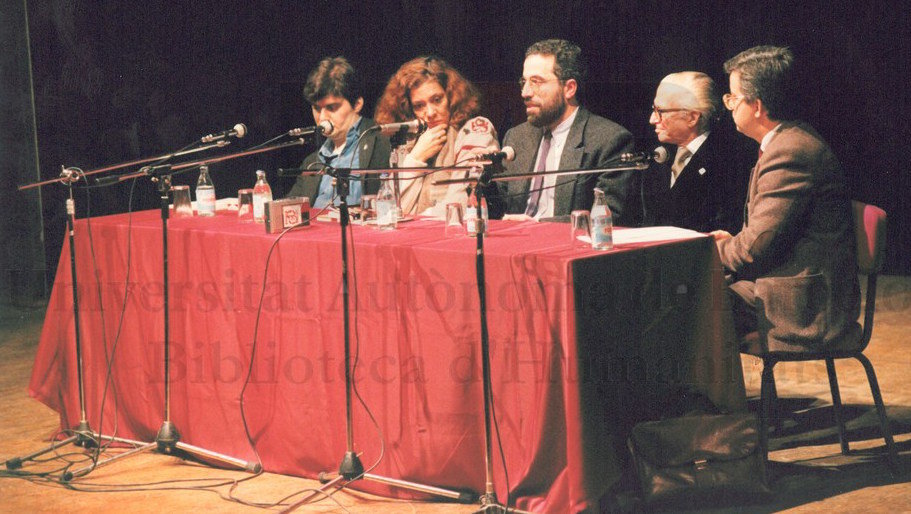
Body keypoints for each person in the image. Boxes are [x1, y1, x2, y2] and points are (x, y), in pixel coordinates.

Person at [712, 46, 859, 352]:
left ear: (756, 106)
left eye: (732, 98)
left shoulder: (790, 152)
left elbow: (752, 251)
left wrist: (708, 250)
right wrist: (732, 243)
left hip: (804, 308)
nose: (729, 106)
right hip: (785, 290)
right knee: (687, 298)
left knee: (683, 303)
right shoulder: (787, 141)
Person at [499, 39, 635, 224]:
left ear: (569, 88)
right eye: (524, 82)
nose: (525, 92)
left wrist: (538, 226)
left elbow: (608, 217)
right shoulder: (517, 137)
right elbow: (500, 206)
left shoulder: (609, 141)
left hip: (569, 241)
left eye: (536, 82)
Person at [374, 56, 499, 217]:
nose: (430, 113)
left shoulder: (474, 129)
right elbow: (389, 210)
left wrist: (419, 219)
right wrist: (416, 158)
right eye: (419, 106)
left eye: (437, 100)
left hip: (449, 231)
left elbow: (462, 202)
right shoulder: (408, 142)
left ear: (452, 97)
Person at [641, 72, 749, 234]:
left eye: (660, 111)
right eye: (653, 109)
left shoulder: (730, 162)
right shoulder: (657, 157)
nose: (652, 119)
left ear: (692, 117)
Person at [286, 56, 391, 207]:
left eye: (331, 107)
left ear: (357, 104)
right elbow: (291, 208)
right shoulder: (312, 161)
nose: (322, 117)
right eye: (317, 108)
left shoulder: (382, 143)